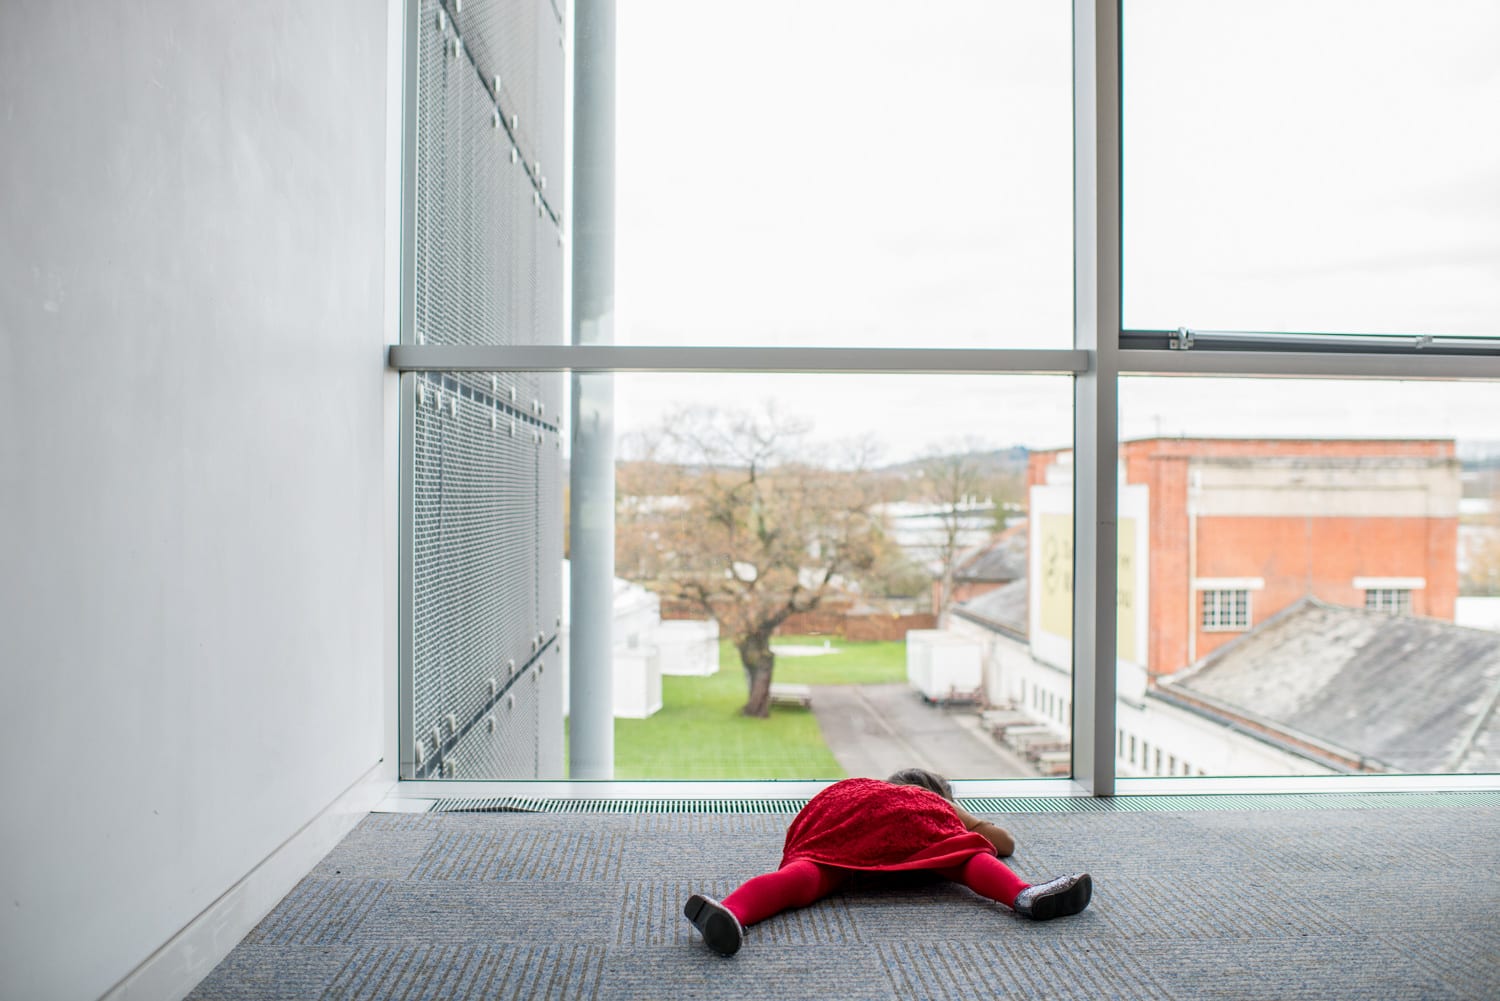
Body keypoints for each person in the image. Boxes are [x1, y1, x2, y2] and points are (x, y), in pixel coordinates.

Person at [683, 768, 1092, 956]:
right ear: (933, 793)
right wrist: (962, 817)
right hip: (916, 828)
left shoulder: (862, 791)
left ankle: (733, 911)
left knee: (804, 876)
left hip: (842, 826)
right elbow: (1002, 842)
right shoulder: (926, 802)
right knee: (967, 857)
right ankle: (1023, 894)